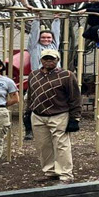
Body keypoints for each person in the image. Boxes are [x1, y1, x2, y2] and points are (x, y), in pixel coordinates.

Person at [26, 49, 82, 182]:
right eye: (46, 58)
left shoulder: (67, 75)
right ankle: (50, 172)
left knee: (61, 145)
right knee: (43, 145)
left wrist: (75, 118)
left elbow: (75, 97)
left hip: (59, 114)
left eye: (52, 58)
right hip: (38, 114)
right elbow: (31, 96)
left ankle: (65, 174)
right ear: (41, 60)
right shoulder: (33, 75)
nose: (49, 61)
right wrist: (27, 114)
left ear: (57, 60)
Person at [23, 16, 61, 140]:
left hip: (54, 77)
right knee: (32, 104)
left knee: (55, 102)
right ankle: (29, 130)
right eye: (43, 37)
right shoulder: (34, 47)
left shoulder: (54, 46)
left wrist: (56, 20)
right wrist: (36, 21)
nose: (46, 39)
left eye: (48, 37)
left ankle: (54, 128)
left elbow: (56, 33)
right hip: (39, 78)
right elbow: (33, 35)